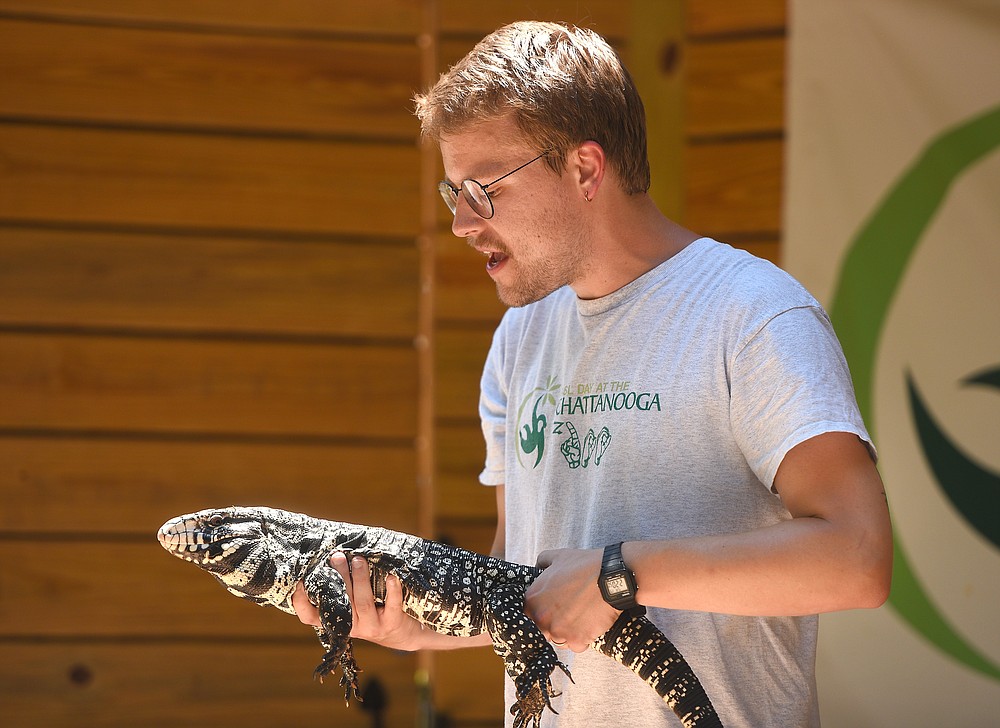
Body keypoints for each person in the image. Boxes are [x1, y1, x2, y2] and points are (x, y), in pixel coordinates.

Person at [293, 20, 893, 727]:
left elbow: (858, 559)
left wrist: (620, 571)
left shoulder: (754, 315)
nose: (461, 223)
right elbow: (531, 583)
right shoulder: (519, 337)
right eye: (452, 193)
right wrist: (414, 625)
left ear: (584, 169)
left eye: (482, 190)